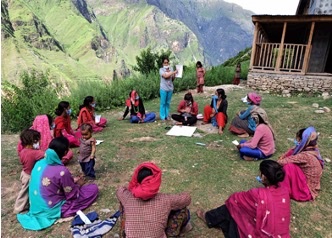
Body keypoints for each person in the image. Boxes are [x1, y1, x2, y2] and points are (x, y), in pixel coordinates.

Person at [17, 137, 99, 231]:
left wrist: (71, 181)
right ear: (65, 153)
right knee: (93, 188)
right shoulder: (62, 171)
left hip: (35, 206)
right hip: (51, 210)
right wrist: (78, 184)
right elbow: (72, 195)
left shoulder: (39, 163)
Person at [197, 160, 290, 238]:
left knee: (231, 206)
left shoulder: (258, 194)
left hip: (259, 234)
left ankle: (208, 218)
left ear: (264, 177)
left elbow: (234, 199)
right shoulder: (284, 192)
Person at [116, 162, 192, 238]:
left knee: (123, 204)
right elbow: (187, 199)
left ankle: (124, 233)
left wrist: (134, 187)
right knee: (182, 208)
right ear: (156, 181)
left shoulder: (127, 197)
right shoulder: (165, 199)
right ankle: (175, 232)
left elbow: (120, 190)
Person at [278, 126, 324, 201]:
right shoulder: (314, 150)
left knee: (288, 167)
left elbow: (281, 162)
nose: (297, 142)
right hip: (310, 185)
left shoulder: (305, 156)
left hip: (306, 192)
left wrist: (280, 159)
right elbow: (290, 154)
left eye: (298, 140)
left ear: (303, 141)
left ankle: (283, 192)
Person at [14, 129, 45, 214]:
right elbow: (46, 155)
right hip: (29, 176)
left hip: (24, 173)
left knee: (28, 191)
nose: (39, 142)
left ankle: (28, 204)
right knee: (24, 192)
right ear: (33, 141)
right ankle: (18, 207)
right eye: (38, 140)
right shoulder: (34, 153)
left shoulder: (23, 151)